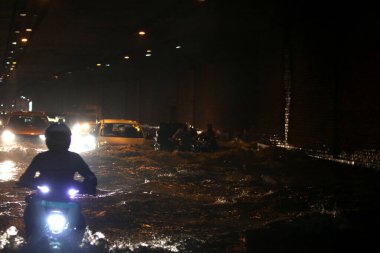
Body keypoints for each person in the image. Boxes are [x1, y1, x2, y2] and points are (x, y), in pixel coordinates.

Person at [17, 122, 97, 238]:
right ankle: (29, 240)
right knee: (30, 212)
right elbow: (27, 176)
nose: (58, 142)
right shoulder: (41, 158)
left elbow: (89, 175)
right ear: (49, 140)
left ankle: (78, 243)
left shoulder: (75, 158)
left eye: (61, 139)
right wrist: (25, 182)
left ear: (68, 140)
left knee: (80, 221)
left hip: (66, 196)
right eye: (55, 138)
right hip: (43, 197)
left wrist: (89, 184)